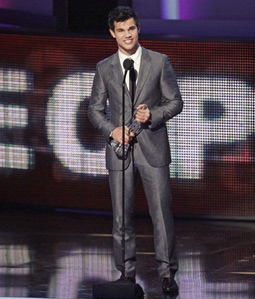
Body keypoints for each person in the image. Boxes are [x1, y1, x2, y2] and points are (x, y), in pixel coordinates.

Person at [88, 6, 183, 294]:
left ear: (138, 28)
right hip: (120, 152)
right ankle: (126, 274)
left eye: (131, 28)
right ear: (112, 33)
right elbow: (94, 110)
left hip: (153, 148)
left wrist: (152, 115)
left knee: (161, 215)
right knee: (121, 217)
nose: (127, 35)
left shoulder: (158, 62)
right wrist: (112, 129)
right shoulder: (105, 68)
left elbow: (175, 101)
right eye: (121, 30)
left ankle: (167, 274)